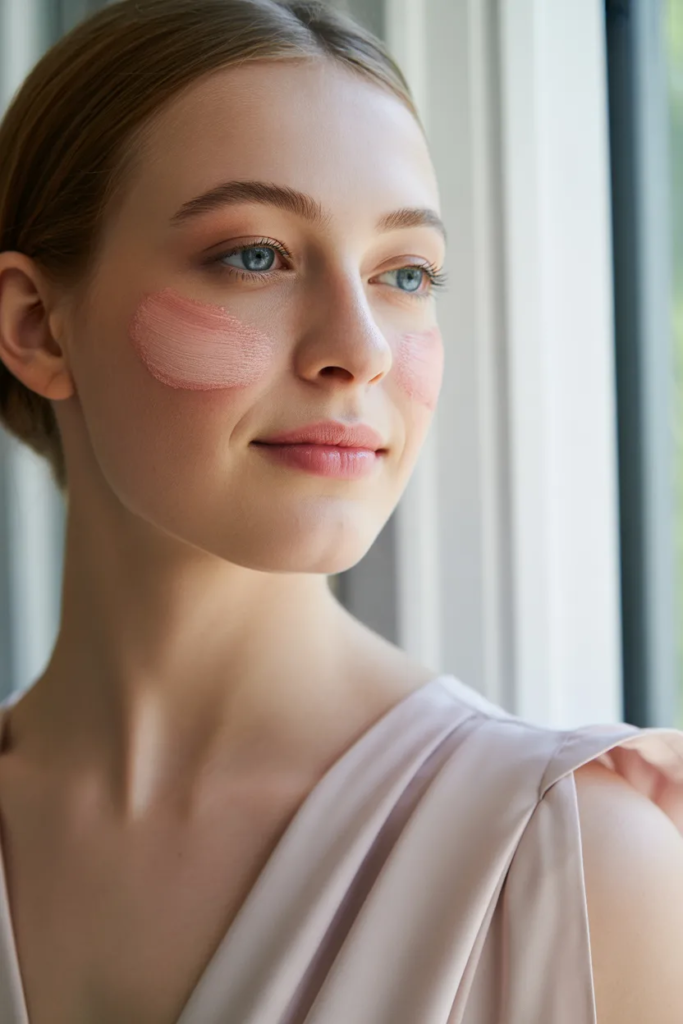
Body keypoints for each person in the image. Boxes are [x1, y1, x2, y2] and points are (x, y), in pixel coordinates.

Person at [0, 0, 681, 1021]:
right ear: (36, 325)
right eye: (255, 256)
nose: (357, 347)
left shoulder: (576, 870)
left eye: (403, 274)